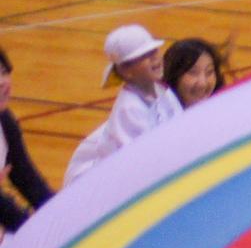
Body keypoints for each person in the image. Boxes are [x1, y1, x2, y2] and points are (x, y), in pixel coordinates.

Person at [68, 24, 184, 181]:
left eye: (154, 51)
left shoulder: (163, 92)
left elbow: (180, 126)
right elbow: (137, 160)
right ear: (125, 70)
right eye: (144, 55)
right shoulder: (129, 109)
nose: (154, 58)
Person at [0, 48, 54, 233]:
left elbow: (28, 180)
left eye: (3, 72)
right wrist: (26, 229)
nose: (1, 82)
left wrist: (60, 215)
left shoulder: (5, 122)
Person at [164, 37, 231, 111]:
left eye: (209, 72)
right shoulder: (157, 117)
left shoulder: (225, 111)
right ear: (174, 76)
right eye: (193, 72)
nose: (202, 83)